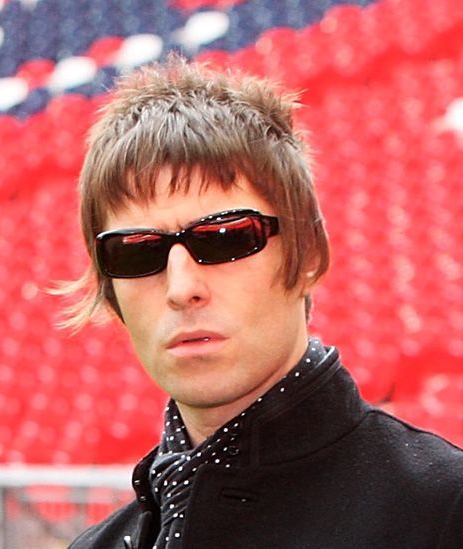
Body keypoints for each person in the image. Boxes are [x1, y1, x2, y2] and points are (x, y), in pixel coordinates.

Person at [63, 58, 463, 548]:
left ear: (309, 254)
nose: (180, 286)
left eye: (225, 237)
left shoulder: (441, 511)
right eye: (137, 251)